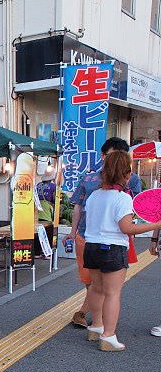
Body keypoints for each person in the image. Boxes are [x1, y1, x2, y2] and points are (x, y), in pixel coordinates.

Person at [82, 150, 161, 351]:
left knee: (96, 289)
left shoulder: (94, 196)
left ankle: (96, 326)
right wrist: (156, 224)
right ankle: (108, 336)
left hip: (91, 247)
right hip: (112, 248)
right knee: (112, 293)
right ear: (127, 173)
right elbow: (127, 228)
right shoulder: (123, 198)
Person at [64, 137, 141, 328]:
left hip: (101, 239)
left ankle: (93, 322)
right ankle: (105, 331)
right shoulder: (91, 180)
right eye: (110, 155)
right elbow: (78, 208)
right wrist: (72, 233)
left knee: (100, 286)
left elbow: (137, 208)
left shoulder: (129, 181)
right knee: (105, 288)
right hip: (95, 238)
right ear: (102, 156)